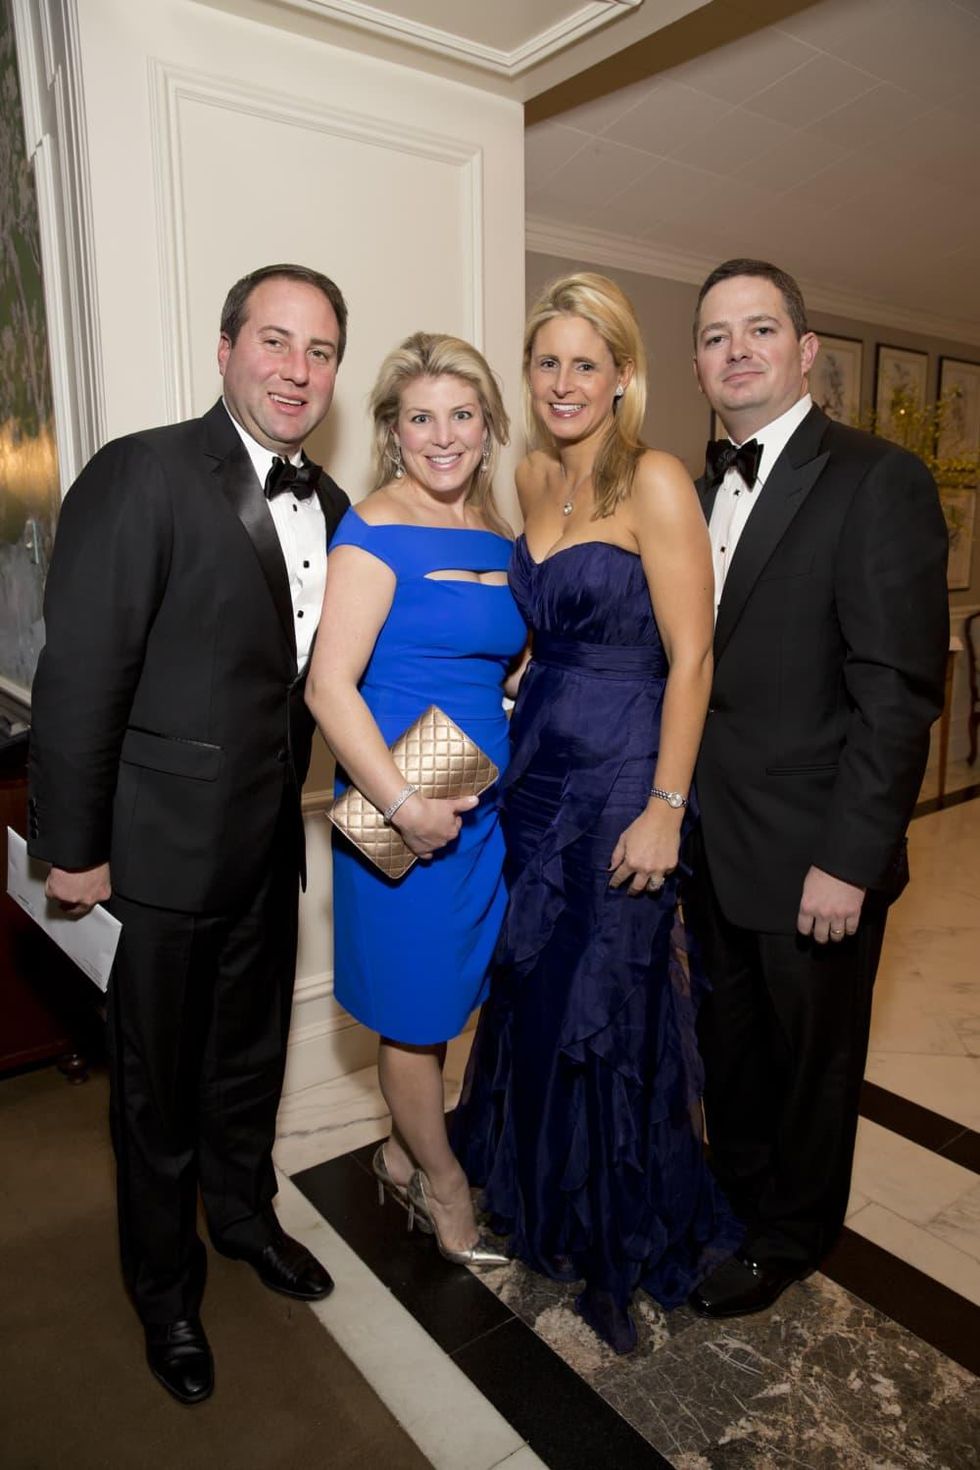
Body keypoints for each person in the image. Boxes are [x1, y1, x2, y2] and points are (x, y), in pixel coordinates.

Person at [28, 264, 350, 1404]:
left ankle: (247, 1223)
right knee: (155, 1096)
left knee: (245, 1070)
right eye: (275, 341)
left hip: (267, 853)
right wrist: (71, 848)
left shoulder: (340, 508)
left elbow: (332, 686)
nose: (296, 370)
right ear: (225, 349)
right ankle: (164, 1295)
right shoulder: (145, 472)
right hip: (153, 861)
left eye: (318, 352)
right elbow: (80, 676)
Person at [452, 272, 742, 1354]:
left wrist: (666, 804)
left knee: (606, 998)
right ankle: (540, 1202)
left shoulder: (656, 479)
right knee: (527, 983)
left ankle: (616, 1229)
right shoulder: (527, 473)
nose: (563, 382)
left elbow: (692, 655)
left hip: (625, 769)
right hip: (536, 771)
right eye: (546, 362)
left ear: (623, 375)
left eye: (586, 362)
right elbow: (536, 626)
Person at [685, 258, 949, 1318]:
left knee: (812, 1064)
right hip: (707, 842)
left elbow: (893, 691)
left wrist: (846, 857)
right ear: (696, 361)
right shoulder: (690, 490)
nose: (734, 350)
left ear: (803, 352)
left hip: (811, 851)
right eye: (712, 335)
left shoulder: (874, 478)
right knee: (730, 1049)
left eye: (757, 329)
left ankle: (790, 1236)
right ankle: (737, 1201)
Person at [305, 333, 526, 1266]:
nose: (444, 438)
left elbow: (500, 656)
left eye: (462, 416)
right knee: (417, 1014)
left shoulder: (497, 531)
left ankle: (402, 1150)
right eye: (421, 418)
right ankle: (444, 1186)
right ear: (394, 430)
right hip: (409, 808)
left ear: (488, 426)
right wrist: (403, 804)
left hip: (487, 803)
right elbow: (328, 685)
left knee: (467, 999)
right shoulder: (372, 529)